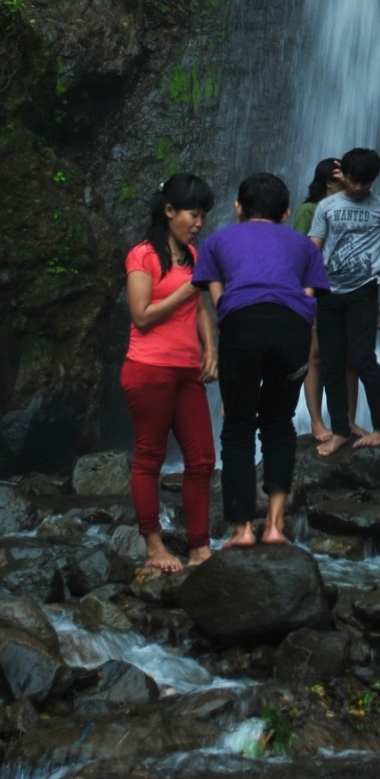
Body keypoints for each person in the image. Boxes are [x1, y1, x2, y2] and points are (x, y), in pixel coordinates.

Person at [192, 172, 329, 547]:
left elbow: (216, 296)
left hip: (242, 323)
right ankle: (274, 526)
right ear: (287, 212)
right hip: (291, 329)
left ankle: (242, 529)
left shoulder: (217, 240)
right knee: (278, 422)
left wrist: (233, 319)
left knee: (237, 423)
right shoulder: (304, 246)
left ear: (237, 208)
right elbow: (308, 292)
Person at [121, 173, 218, 575]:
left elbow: (198, 309)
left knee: (202, 459)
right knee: (150, 458)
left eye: (203, 215)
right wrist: (187, 289)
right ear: (169, 211)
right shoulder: (141, 255)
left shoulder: (194, 257)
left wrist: (210, 349)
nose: (199, 222)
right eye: (193, 214)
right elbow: (141, 316)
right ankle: (154, 546)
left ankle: (199, 547)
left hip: (185, 372)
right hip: (148, 369)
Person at [309, 147, 380, 457]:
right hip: (328, 292)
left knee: (363, 359)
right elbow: (313, 247)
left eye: (366, 182)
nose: (359, 187)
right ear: (342, 175)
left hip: (363, 290)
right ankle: (340, 430)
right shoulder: (327, 207)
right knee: (332, 362)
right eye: (354, 180)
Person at [292, 158, 367, 443]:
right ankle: (316, 422)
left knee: (350, 357)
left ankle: (348, 421)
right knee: (316, 356)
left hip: (349, 290)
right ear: (328, 183)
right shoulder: (309, 210)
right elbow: (301, 252)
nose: (348, 183)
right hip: (318, 292)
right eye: (341, 179)